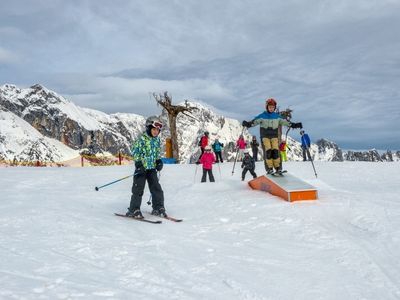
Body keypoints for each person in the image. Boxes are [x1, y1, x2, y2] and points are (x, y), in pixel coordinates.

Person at [242, 98, 302, 174]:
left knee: (276, 151)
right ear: (267, 107)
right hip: (265, 137)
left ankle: (278, 168)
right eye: (270, 107)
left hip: (274, 136)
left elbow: (286, 122)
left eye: (273, 107)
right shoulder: (262, 116)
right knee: (268, 151)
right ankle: (269, 168)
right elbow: (254, 122)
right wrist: (247, 124)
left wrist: (295, 125)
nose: (271, 109)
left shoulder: (277, 116)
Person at [126, 116, 166, 219]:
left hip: (151, 168)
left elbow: (157, 152)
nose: (156, 132)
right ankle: (134, 209)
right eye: (154, 129)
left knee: (156, 188)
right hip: (142, 168)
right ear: (148, 128)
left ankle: (158, 207)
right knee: (138, 188)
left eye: (158, 130)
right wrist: (138, 164)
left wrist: (158, 161)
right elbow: (135, 152)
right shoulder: (141, 139)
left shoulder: (156, 140)